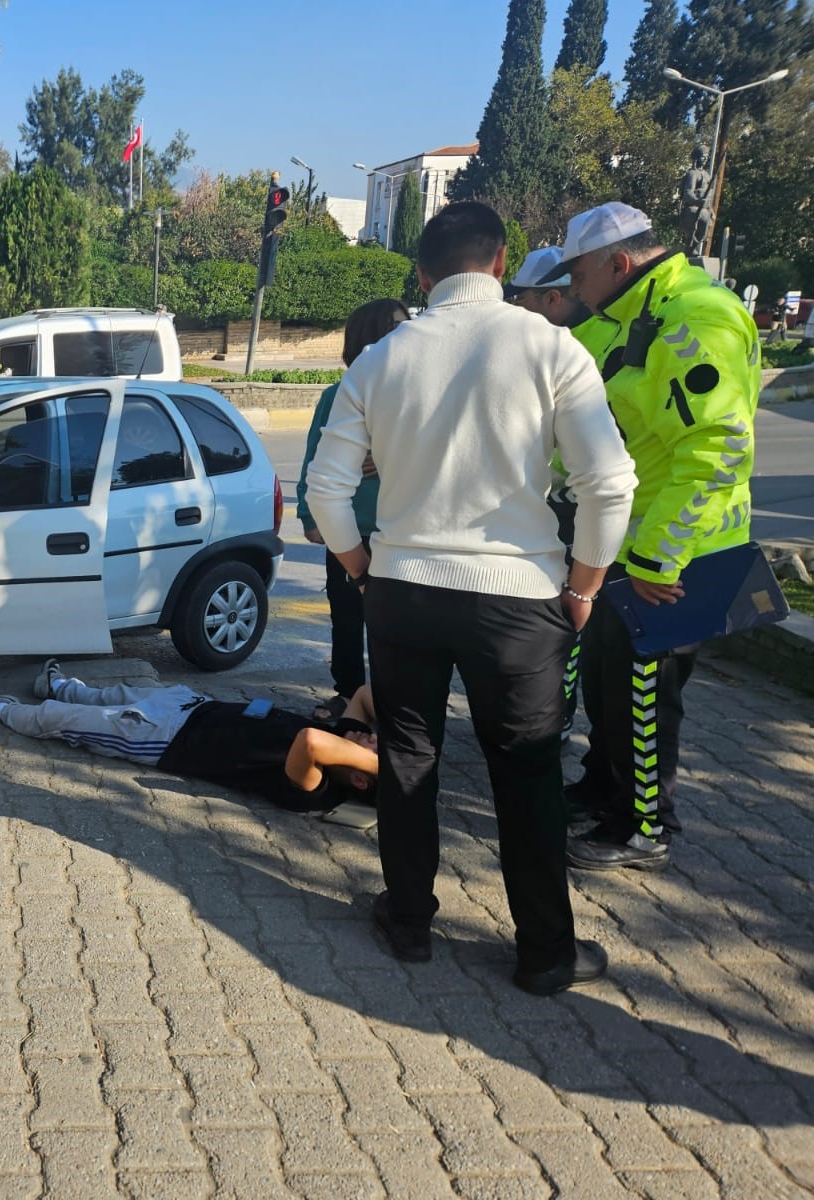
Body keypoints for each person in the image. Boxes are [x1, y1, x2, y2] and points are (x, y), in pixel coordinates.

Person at [305, 201, 637, 995]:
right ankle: (544, 952)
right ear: (500, 263)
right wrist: (585, 586)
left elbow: (324, 487)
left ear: (422, 276)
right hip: (518, 597)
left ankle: (408, 920)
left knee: (408, 754)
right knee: (526, 772)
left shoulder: (379, 360)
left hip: (403, 590)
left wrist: (362, 568)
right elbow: (609, 483)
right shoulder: (551, 347)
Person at [559, 202, 761, 872]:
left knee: (643, 700)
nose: (573, 289)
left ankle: (644, 827)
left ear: (618, 263)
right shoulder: (632, 316)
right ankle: (603, 790)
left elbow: (718, 449)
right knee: (606, 687)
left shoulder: (696, 319)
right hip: (628, 543)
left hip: (672, 558)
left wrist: (657, 557)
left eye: (578, 274)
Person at [0, 660, 379, 820]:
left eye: (375, 749)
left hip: (164, 738)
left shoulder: (316, 789)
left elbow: (310, 741)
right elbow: (365, 694)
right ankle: (59, 685)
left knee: (61, 720)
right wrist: (397, 743)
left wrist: (388, 765)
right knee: (108, 694)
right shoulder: (348, 738)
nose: (372, 738)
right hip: (193, 705)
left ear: (361, 776)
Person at [294, 297, 410, 721]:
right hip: (348, 530)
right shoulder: (337, 395)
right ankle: (347, 694)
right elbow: (314, 457)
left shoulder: (417, 394)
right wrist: (310, 516)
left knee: (395, 625)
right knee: (347, 619)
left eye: (407, 324)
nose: (405, 333)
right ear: (369, 337)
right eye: (395, 326)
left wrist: (388, 457)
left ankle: (390, 700)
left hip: (402, 531)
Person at [505, 246, 597, 741]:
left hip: (571, 510)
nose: (516, 307)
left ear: (552, 299)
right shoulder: (550, 345)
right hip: (547, 507)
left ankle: (552, 720)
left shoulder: (571, 352)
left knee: (563, 623)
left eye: (523, 298)